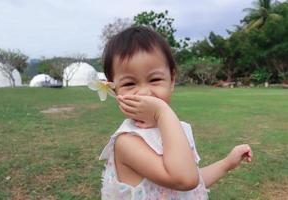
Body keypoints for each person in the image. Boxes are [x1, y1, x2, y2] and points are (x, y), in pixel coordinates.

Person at [98, 26, 253, 199]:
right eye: (129, 84)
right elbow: (184, 179)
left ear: (172, 80)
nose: (144, 93)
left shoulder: (173, 129)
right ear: (114, 89)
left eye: (155, 79)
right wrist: (163, 112)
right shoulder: (127, 142)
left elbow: (191, 185)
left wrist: (226, 164)